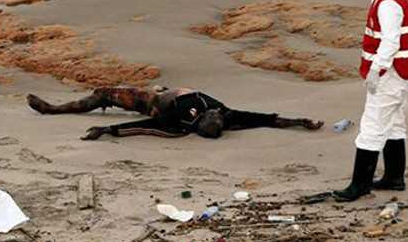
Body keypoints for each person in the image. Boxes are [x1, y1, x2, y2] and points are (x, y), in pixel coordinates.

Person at [332, 0, 408, 201]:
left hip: (390, 74)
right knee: (394, 123)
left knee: (372, 128)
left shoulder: (388, 1)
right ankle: (394, 177)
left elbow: (390, 40)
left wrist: (376, 70)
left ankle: (359, 186)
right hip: (399, 72)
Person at [27, 86, 323, 140]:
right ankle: (55, 108)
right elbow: (265, 119)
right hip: (164, 94)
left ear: (201, 124)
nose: (217, 116)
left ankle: (52, 110)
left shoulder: (176, 121)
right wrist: (299, 121)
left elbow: (143, 126)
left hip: (153, 102)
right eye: (217, 118)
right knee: (105, 94)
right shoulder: (229, 115)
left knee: (105, 94)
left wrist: (107, 130)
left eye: (214, 119)